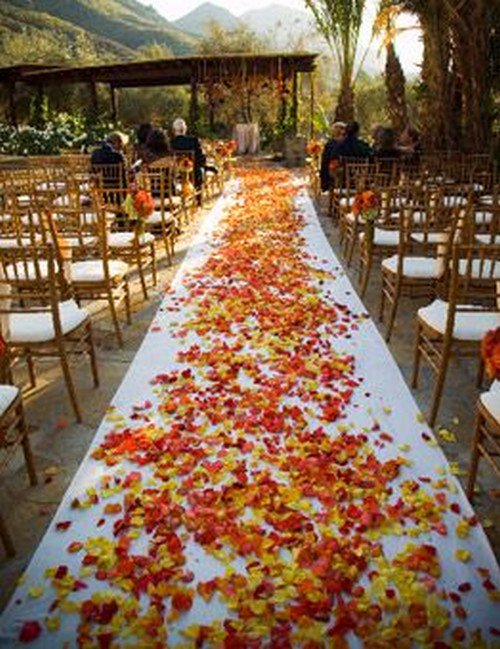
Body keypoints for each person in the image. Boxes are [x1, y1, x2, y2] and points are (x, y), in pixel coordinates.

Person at [170, 118, 206, 204]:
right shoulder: (193, 140)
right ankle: (198, 199)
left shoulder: (171, 142)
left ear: (174, 130)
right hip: (193, 173)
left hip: (176, 174)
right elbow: (200, 157)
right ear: (185, 129)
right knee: (200, 170)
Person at [320, 122, 346, 192]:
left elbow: (325, 160)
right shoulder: (347, 143)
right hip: (347, 172)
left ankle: (326, 186)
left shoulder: (330, 144)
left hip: (334, 172)